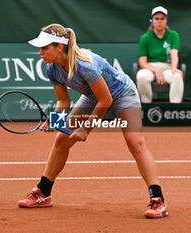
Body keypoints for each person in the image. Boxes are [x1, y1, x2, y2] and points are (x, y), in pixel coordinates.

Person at [17, 23, 168, 219]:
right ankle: (43, 193)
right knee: (62, 139)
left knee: (135, 143)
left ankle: (158, 200)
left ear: (60, 47)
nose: (40, 52)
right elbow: (64, 100)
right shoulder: (51, 68)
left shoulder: (84, 65)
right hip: (92, 95)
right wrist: (55, 120)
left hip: (122, 93)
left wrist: (86, 129)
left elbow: (106, 100)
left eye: (45, 47)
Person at [136, 6, 184, 103]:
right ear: (152, 20)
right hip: (150, 68)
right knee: (141, 76)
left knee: (177, 77)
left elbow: (174, 54)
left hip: (168, 67)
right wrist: (156, 70)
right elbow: (142, 62)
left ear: (166, 20)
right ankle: (146, 106)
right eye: (156, 18)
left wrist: (174, 68)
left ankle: (175, 109)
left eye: (162, 19)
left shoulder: (173, 35)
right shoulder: (145, 38)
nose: (159, 21)